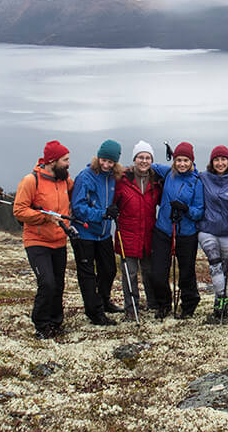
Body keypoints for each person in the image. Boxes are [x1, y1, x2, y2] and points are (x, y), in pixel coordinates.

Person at [13, 140, 75, 339]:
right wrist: (46, 217)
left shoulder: (64, 180)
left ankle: (56, 323)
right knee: (47, 283)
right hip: (37, 241)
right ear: (52, 161)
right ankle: (41, 324)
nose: (68, 164)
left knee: (58, 284)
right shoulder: (31, 181)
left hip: (59, 240)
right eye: (65, 160)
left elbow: (78, 193)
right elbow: (19, 210)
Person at [68, 140, 122, 326]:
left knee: (109, 270)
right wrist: (103, 213)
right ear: (98, 157)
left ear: (115, 162)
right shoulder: (86, 176)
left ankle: (104, 301)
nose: (106, 165)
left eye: (110, 162)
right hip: (85, 233)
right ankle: (94, 313)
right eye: (103, 160)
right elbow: (78, 208)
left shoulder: (113, 177)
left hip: (104, 233)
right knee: (88, 275)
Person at [150, 142, 206, 319]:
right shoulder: (167, 173)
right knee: (158, 273)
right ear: (174, 160)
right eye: (179, 160)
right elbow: (148, 164)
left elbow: (199, 211)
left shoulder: (196, 182)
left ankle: (189, 305)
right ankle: (163, 304)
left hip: (186, 233)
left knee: (186, 273)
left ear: (191, 161)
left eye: (186, 160)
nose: (182, 164)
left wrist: (186, 209)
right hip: (163, 230)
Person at [198, 145, 228, 323]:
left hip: (227, 231)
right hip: (207, 229)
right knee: (215, 262)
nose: (220, 163)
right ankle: (222, 297)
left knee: (223, 269)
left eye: (223, 159)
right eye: (216, 160)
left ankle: (220, 301)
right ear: (212, 162)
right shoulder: (203, 178)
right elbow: (185, 172)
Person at [115, 141, 161, 318]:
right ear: (134, 159)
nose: (144, 161)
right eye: (140, 157)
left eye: (147, 157)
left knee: (149, 272)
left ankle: (152, 303)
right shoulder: (122, 180)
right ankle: (131, 309)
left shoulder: (157, 181)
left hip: (149, 234)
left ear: (151, 160)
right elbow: (111, 202)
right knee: (130, 274)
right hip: (127, 234)